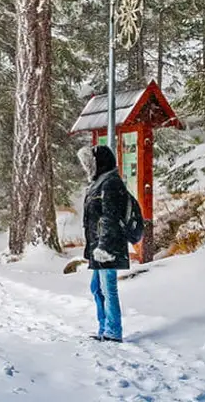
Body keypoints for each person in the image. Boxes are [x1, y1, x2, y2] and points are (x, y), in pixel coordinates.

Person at [77, 145, 131, 343]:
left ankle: (113, 331)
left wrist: (104, 247)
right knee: (97, 288)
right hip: (98, 247)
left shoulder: (110, 184)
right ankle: (104, 327)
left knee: (108, 289)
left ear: (99, 163)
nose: (86, 168)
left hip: (108, 247)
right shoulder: (99, 183)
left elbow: (110, 217)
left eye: (89, 163)